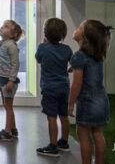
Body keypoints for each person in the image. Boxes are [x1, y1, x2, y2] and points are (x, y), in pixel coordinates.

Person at [68, 20, 113, 164]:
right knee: (97, 134)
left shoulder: (78, 56)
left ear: (85, 37)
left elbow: (77, 84)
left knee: (82, 134)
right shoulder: (98, 55)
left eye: (80, 27)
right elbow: (90, 70)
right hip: (101, 98)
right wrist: (74, 68)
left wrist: (70, 104)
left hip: (87, 101)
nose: (76, 28)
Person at [35, 18, 74, 156]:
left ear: (45, 33)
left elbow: (38, 59)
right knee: (64, 116)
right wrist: (68, 69)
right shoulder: (67, 49)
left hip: (50, 88)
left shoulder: (42, 47)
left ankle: (52, 146)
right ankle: (64, 142)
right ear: (63, 34)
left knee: (51, 117)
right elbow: (74, 64)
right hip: (64, 87)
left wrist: (45, 44)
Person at [0, 19, 24, 142]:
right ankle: (13, 128)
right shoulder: (0, 44)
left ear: (12, 35)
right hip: (1, 77)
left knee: (8, 105)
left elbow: (15, 64)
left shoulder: (12, 46)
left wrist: (11, 80)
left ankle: (7, 132)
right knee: (6, 104)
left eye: (6, 27)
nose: (2, 27)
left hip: (8, 79)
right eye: (3, 25)